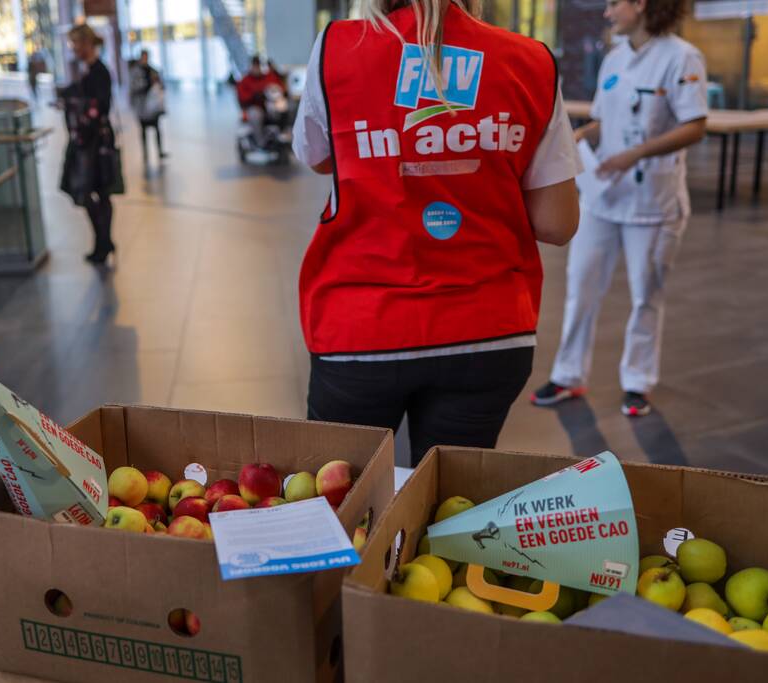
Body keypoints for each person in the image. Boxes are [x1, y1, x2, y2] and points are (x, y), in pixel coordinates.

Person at [293, 0, 581, 466]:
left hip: (363, 327)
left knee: (345, 497)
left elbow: (319, 157)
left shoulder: (337, 48)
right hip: (489, 328)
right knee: (449, 499)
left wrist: (396, 150)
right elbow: (557, 223)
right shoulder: (531, 61)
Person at [531, 0, 708, 418]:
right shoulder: (614, 58)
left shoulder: (682, 57)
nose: (607, 13)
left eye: (614, 3)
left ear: (641, 4)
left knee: (646, 294)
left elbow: (695, 125)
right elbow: (606, 119)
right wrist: (581, 135)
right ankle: (568, 375)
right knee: (580, 288)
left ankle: (637, 382)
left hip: (653, 201)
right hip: (601, 196)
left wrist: (634, 154)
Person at [59, 24, 119, 264]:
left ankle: (103, 242)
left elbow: (99, 106)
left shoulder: (99, 72)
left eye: (75, 43)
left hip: (96, 142)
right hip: (88, 140)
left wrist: (78, 108)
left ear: (86, 43)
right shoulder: (87, 71)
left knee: (98, 191)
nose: (73, 48)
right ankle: (103, 241)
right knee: (93, 192)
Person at [237, 55, 287, 146]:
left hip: (271, 105)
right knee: (255, 114)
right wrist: (255, 96)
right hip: (254, 106)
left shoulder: (270, 77)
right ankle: (261, 142)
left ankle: (281, 137)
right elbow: (243, 98)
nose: (257, 69)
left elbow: (280, 89)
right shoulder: (245, 80)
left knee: (285, 108)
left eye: (258, 66)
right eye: (255, 66)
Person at [129, 50, 167, 162]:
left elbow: (161, 85)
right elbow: (133, 88)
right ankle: (145, 152)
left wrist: (157, 83)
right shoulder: (135, 72)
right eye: (143, 57)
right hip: (141, 106)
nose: (145, 59)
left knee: (157, 128)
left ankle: (160, 151)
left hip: (153, 106)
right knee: (143, 130)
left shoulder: (152, 70)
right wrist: (147, 84)